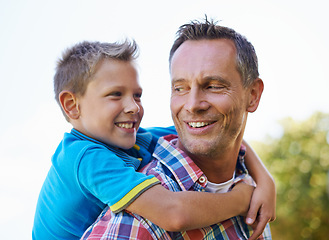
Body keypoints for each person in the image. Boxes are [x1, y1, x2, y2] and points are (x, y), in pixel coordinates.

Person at [32, 40, 272, 239]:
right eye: (115, 95)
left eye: (137, 95)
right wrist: (241, 200)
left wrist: (265, 180)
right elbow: (173, 213)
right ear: (72, 106)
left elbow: (220, 133)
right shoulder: (86, 157)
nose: (133, 107)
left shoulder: (138, 139)